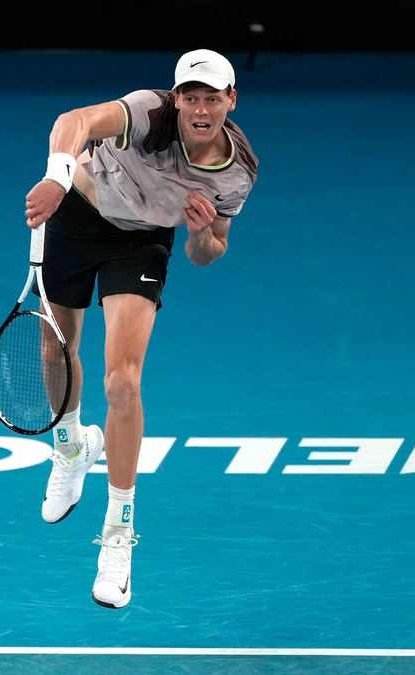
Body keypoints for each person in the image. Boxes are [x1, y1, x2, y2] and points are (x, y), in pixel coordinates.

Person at [24, 49, 258, 609]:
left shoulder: (237, 170)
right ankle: (71, 447)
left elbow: (210, 251)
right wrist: (58, 177)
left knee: (122, 383)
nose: (200, 108)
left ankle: (118, 537)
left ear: (231, 99)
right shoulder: (148, 113)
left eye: (212, 97)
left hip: (142, 242)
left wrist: (201, 235)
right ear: (177, 98)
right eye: (191, 97)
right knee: (57, 353)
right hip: (76, 214)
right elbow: (72, 122)